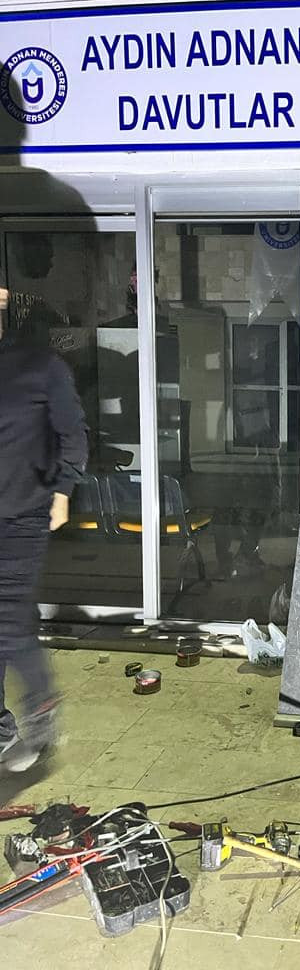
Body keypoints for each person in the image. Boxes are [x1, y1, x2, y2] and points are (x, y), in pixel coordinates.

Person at [0, 286, 88, 772]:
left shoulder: (40, 367)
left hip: (22, 513)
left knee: (8, 622)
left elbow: (72, 432)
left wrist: (63, 491)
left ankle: (41, 707)